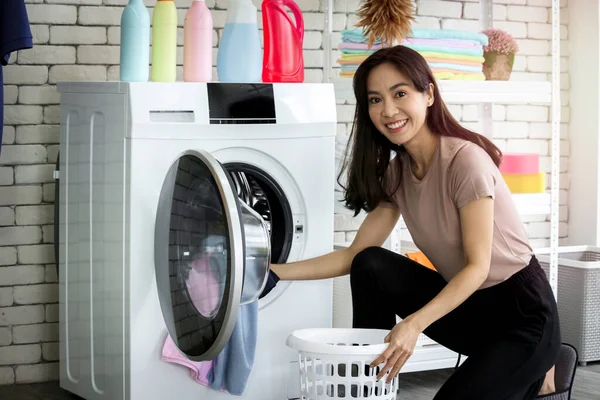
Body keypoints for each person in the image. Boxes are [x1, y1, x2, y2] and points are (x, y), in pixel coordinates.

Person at [263, 45, 561, 399]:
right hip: (469, 312)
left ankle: (543, 369)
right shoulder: (397, 173)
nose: (388, 110)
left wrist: (413, 325)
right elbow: (355, 254)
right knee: (370, 262)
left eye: (400, 93)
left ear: (429, 94)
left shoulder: (465, 162)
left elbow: (478, 268)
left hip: (521, 317)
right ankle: (369, 383)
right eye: (375, 100)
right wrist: (272, 272)